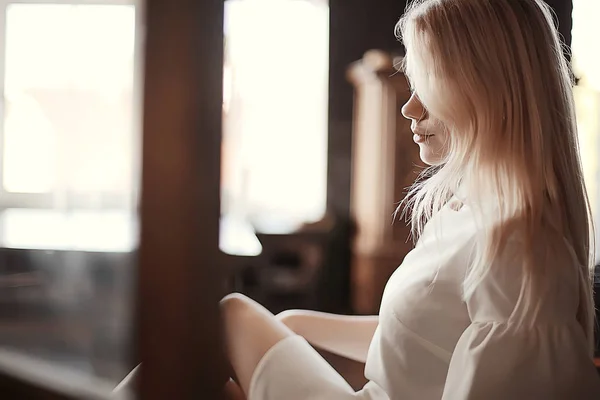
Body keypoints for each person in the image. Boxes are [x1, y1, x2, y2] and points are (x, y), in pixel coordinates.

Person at [220, 0, 600, 398]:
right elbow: (413, 345)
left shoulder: (517, 243)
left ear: (488, 90)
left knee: (229, 315)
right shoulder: (465, 214)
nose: (408, 107)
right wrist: (298, 323)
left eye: (428, 86)